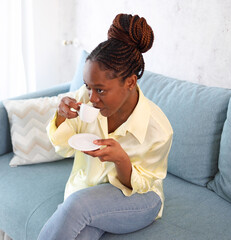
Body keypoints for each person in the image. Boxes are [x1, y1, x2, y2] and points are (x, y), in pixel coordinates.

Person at [38, 13, 173, 240]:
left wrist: (121, 159)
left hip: (140, 198)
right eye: (88, 87)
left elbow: (143, 184)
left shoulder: (158, 129)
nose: (92, 98)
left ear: (130, 82)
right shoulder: (85, 99)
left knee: (76, 206)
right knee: (82, 232)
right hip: (89, 191)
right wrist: (61, 117)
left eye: (100, 90)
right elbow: (64, 148)